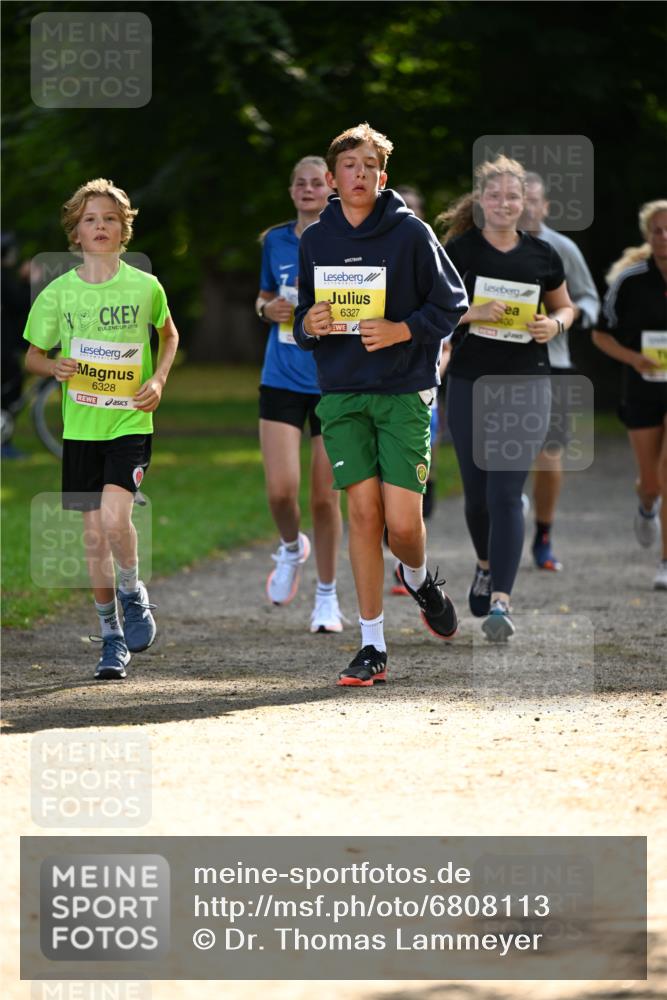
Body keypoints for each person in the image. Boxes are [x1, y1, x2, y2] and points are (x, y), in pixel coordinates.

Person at [294, 122, 468, 686]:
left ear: (381, 176)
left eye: (369, 165)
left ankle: (418, 580)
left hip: (402, 393)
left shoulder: (411, 235)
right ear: (333, 179)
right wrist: (309, 323)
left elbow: (453, 303)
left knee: (403, 525)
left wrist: (402, 331)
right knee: (362, 515)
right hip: (342, 394)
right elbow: (303, 320)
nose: (360, 173)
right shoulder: (315, 240)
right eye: (350, 166)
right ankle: (372, 644)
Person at [23, 178, 179, 679]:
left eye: (109, 218)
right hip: (81, 428)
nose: (100, 226)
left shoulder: (144, 286)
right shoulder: (58, 293)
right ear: (76, 231)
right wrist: (55, 368)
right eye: (90, 219)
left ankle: (133, 593)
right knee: (93, 538)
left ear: (123, 228)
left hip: (130, 420)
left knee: (115, 519)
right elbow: (32, 357)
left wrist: (157, 377)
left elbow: (169, 334)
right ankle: (111, 637)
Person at [438, 157, 574, 641]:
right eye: (494, 196)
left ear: (523, 203)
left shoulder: (542, 254)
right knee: (477, 498)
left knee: (504, 493)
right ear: (481, 201)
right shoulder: (459, 251)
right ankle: (483, 562)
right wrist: (473, 312)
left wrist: (553, 324)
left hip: (528, 382)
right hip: (472, 382)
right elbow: (433, 313)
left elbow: (565, 305)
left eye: (512, 197)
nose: (503, 204)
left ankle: (501, 601)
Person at [255, 156, 344, 632]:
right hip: (282, 376)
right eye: (300, 183)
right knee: (280, 492)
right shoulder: (274, 241)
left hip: (331, 380)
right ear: (291, 191)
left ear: (330, 188)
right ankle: (291, 548)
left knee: (325, 499)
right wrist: (268, 308)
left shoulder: (345, 237)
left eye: (317, 182)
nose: (309, 189)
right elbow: (263, 295)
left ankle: (327, 598)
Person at [520, 172, 601, 571]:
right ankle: (507, 510)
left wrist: (565, 318)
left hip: (554, 363)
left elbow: (589, 298)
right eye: (523, 199)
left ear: (546, 206)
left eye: (535, 200)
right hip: (500, 365)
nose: (528, 207)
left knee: (549, 454)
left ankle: (544, 532)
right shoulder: (491, 246)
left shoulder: (561, 247)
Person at [592, 199, 667, 591]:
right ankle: (646, 502)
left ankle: (665, 561)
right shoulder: (631, 280)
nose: (664, 236)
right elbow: (600, 334)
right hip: (641, 387)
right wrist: (633, 359)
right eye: (657, 230)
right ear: (647, 235)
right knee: (653, 480)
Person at [1, 232, 31, 458]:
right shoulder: (3, 276)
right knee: (10, 390)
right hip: (4, 347)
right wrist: (25, 279)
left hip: (7, 345)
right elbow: (17, 304)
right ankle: (4, 443)